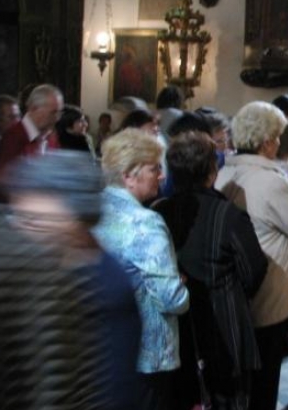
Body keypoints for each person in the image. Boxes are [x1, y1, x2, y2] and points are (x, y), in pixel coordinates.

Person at [214, 101, 288, 410]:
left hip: (234, 291)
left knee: (238, 379)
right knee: (264, 380)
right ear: (268, 141)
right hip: (267, 291)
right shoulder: (269, 179)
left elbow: (266, 212)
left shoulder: (226, 170)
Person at [3, 150, 142, 410]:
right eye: (18, 218)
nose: (23, 229)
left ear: (78, 220)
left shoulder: (106, 287)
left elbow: (114, 388)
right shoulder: (39, 269)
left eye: (36, 220)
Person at [153, 132, 269, 410]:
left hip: (175, 328)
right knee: (228, 399)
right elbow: (254, 269)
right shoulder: (227, 214)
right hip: (224, 325)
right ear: (211, 171)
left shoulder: (159, 211)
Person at [93, 128, 190, 410]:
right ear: (127, 175)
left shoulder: (95, 208)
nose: (161, 175)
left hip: (106, 348)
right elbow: (172, 299)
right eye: (154, 168)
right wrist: (182, 286)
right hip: (148, 356)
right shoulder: (146, 222)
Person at [0, 84, 63, 199]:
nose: (57, 118)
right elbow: (5, 186)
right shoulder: (13, 137)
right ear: (33, 108)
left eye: (59, 112)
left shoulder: (51, 137)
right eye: (53, 112)